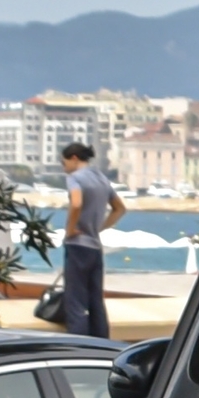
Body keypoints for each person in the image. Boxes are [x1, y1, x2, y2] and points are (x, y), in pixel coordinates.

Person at [59, 142, 124, 339]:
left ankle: (77, 347)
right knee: (96, 301)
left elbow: (76, 203)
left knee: (76, 302)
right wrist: (99, 228)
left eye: (64, 163)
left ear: (74, 158)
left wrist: (69, 230)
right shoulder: (102, 179)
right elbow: (120, 208)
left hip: (78, 246)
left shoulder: (74, 179)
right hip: (95, 247)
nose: (64, 168)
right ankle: (102, 345)